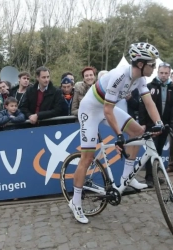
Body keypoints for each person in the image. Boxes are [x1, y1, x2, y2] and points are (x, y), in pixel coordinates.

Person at [69, 42, 164, 224]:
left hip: (106, 108)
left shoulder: (141, 78)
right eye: (152, 64)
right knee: (87, 158)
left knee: (137, 131)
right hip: (90, 110)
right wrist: (119, 135)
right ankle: (75, 201)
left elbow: (149, 102)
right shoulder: (120, 76)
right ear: (140, 64)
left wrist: (159, 123)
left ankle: (126, 177)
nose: (154, 67)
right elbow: (107, 111)